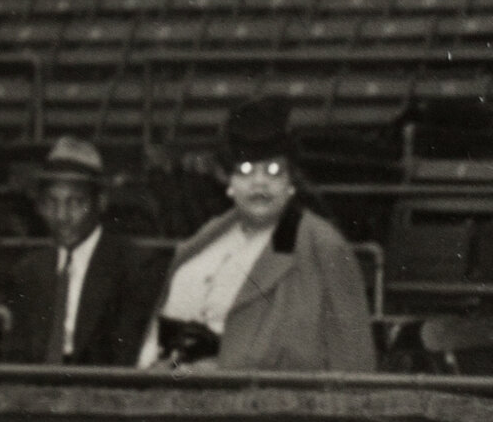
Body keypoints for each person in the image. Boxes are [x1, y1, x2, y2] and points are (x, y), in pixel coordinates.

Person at [141, 100, 376, 373]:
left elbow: (353, 354)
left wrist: (219, 367)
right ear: (228, 182)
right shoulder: (209, 236)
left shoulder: (319, 244)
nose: (259, 182)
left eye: (273, 171)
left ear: (291, 181)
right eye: (245, 171)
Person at [1, 136, 169, 368]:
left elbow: (126, 356)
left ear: (101, 202)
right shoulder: (28, 270)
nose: (62, 216)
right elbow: (17, 357)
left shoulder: (133, 268)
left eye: (76, 203)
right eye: (51, 203)